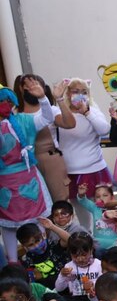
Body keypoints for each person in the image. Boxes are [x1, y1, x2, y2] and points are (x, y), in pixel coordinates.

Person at [0, 79, 55, 263]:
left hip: (28, 176)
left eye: (6, 101)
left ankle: (44, 258)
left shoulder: (23, 120)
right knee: (7, 224)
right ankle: (14, 263)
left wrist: (43, 98)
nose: (4, 106)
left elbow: (47, 118)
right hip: (4, 184)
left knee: (37, 219)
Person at [58, 78, 112, 228]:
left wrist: (87, 112)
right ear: (67, 93)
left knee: (99, 210)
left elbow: (104, 130)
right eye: (75, 91)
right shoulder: (60, 113)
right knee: (82, 213)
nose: (80, 95)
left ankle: (104, 240)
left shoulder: (93, 111)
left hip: (94, 170)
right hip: (71, 172)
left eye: (84, 92)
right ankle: (87, 239)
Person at [13, 74, 75, 202]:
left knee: (60, 200)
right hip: (26, 163)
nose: (32, 89)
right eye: (27, 86)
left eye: (36, 85)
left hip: (51, 160)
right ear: (20, 88)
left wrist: (59, 99)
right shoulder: (15, 114)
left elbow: (70, 124)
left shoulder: (50, 110)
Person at [17, 219, 70, 289]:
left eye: (37, 241)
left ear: (43, 235)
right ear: (24, 246)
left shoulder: (53, 246)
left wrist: (52, 227)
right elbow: (32, 283)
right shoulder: (27, 260)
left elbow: (69, 240)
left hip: (68, 285)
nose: (36, 246)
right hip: (49, 293)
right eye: (31, 245)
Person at [54, 232, 102, 301]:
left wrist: (93, 285)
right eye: (75, 256)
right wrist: (62, 275)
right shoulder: (69, 266)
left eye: (84, 255)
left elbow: (104, 286)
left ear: (91, 250)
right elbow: (59, 289)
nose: (80, 259)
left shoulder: (99, 265)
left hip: (95, 300)